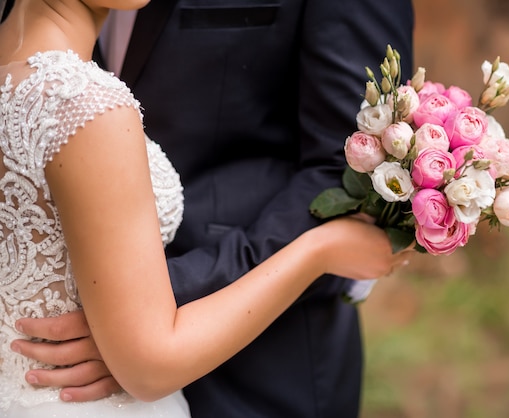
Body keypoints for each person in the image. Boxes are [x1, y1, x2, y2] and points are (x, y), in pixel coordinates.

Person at [3, 0, 415, 417]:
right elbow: (148, 365)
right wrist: (319, 250)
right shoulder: (86, 103)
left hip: (260, 363)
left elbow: (348, 163)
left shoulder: (14, 74)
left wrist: (128, 309)